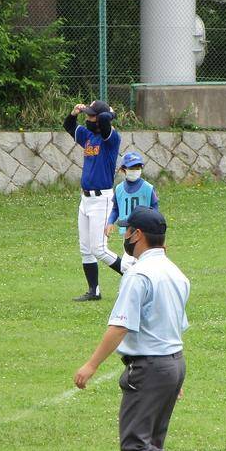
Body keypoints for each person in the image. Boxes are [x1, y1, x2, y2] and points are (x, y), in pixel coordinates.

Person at [74, 206, 217, 451]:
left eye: (127, 231)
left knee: (135, 445)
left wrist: (91, 365)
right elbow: (176, 327)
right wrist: (175, 374)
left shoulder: (139, 275)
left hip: (150, 367)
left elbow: (120, 326)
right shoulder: (177, 274)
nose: (125, 236)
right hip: (171, 362)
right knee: (149, 444)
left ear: (137, 235)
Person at [64, 100, 126, 301]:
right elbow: (69, 127)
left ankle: (135, 274)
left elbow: (107, 120)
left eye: (92, 116)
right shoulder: (89, 136)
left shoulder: (111, 139)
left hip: (103, 199)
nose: (88, 119)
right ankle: (94, 291)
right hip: (86, 200)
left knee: (99, 249)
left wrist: (109, 112)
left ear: (101, 118)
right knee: (86, 248)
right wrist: (74, 113)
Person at [105, 152, 159, 275]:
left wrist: (153, 227)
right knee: (127, 265)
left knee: (135, 265)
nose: (135, 171)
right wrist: (110, 222)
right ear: (124, 170)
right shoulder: (119, 189)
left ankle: (137, 289)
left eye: (138, 168)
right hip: (127, 234)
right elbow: (115, 209)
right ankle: (133, 289)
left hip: (143, 233)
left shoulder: (148, 188)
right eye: (131, 168)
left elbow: (155, 209)